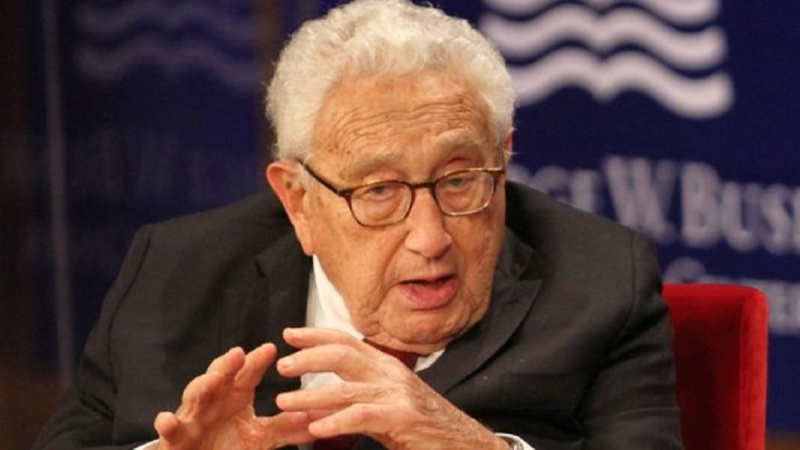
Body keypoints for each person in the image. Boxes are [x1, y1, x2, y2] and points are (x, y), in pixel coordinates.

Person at [33, 0, 683, 449]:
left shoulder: (600, 283)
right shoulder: (175, 274)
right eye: (379, 191)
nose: (430, 238)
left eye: (459, 180)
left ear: (503, 160)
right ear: (298, 201)